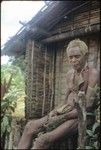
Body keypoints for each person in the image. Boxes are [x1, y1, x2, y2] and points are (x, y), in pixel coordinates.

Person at [18, 39, 99, 149]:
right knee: (29, 126)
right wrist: (54, 112)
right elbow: (66, 100)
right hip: (65, 111)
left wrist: (62, 118)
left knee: (42, 141)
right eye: (70, 57)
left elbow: (87, 107)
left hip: (80, 116)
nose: (73, 60)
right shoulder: (70, 74)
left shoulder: (93, 74)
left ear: (85, 55)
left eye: (77, 56)